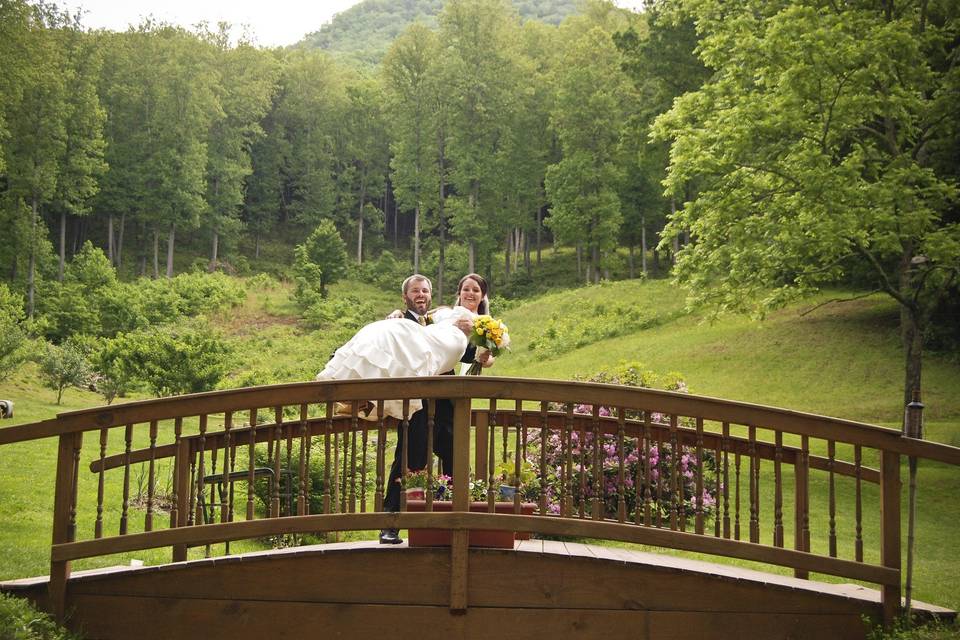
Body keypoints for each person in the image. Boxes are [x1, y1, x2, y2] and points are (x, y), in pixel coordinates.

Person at [377, 274, 492, 544]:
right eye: (415, 291)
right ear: (405, 297)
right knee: (409, 460)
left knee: (455, 458)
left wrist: (481, 354)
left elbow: (457, 351)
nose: (421, 295)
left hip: (445, 403)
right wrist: (393, 319)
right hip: (417, 405)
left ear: (431, 295)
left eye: (425, 291)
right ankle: (390, 523)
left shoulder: (439, 319)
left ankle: (454, 522)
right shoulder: (398, 322)